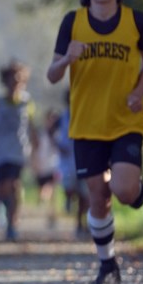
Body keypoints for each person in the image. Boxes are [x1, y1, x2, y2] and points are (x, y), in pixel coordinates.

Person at [47, 0, 143, 284]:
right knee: (97, 195)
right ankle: (107, 264)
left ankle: (136, 191)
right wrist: (67, 58)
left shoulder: (135, 21)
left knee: (122, 190)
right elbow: (52, 75)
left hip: (126, 119)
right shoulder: (72, 23)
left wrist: (139, 91)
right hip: (87, 123)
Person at [0, 60, 36, 242]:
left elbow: (31, 125)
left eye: (18, 79)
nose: (15, 82)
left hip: (18, 150)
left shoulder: (26, 102)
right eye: (11, 79)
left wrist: (35, 144)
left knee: (14, 185)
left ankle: (12, 224)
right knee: (4, 186)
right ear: (4, 81)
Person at [55, 92, 90, 238]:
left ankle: (81, 224)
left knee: (85, 195)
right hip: (67, 160)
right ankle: (68, 199)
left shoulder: (87, 115)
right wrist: (57, 145)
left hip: (84, 158)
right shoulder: (62, 117)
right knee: (69, 188)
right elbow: (50, 130)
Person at [31, 109, 62, 227]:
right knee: (43, 190)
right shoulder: (41, 134)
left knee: (52, 191)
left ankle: (52, 215)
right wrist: (34, 163)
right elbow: (35, 149)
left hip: (54, 166)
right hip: (41, 167)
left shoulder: (58, 133)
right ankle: (44, 201)